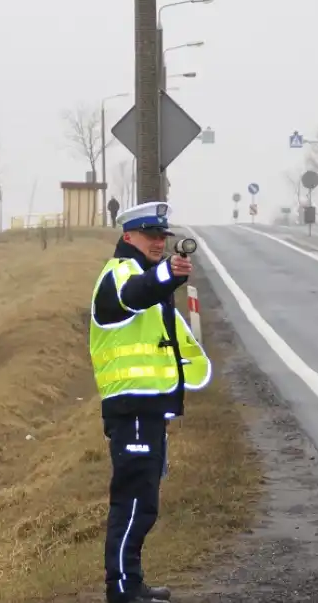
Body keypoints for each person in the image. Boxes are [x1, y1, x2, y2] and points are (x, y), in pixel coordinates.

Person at [89, 201, 212, 603]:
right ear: (128, 236)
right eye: (150, 235)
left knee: (143, 504)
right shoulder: (121, 273)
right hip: (133, 408)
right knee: (133, 503)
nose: (158, 242)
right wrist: (167, 274)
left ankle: (132, 582)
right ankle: (122, 589)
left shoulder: (145, 276)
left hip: (148, 409)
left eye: (162, 236)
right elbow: (134, 295)